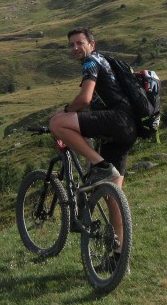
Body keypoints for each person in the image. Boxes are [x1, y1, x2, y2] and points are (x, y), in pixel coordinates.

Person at [49, 27, 137, 191]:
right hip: (128, 126)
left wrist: (66, 112)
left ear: (92, 44)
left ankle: (101, 166)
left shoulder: (91, 61)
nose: (75, 48)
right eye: (71, 45)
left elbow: (85, 99)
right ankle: (119, 215)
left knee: (56, 123)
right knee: (113, 192)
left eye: (79, 43)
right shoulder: (104, 60)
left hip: (116, 120)